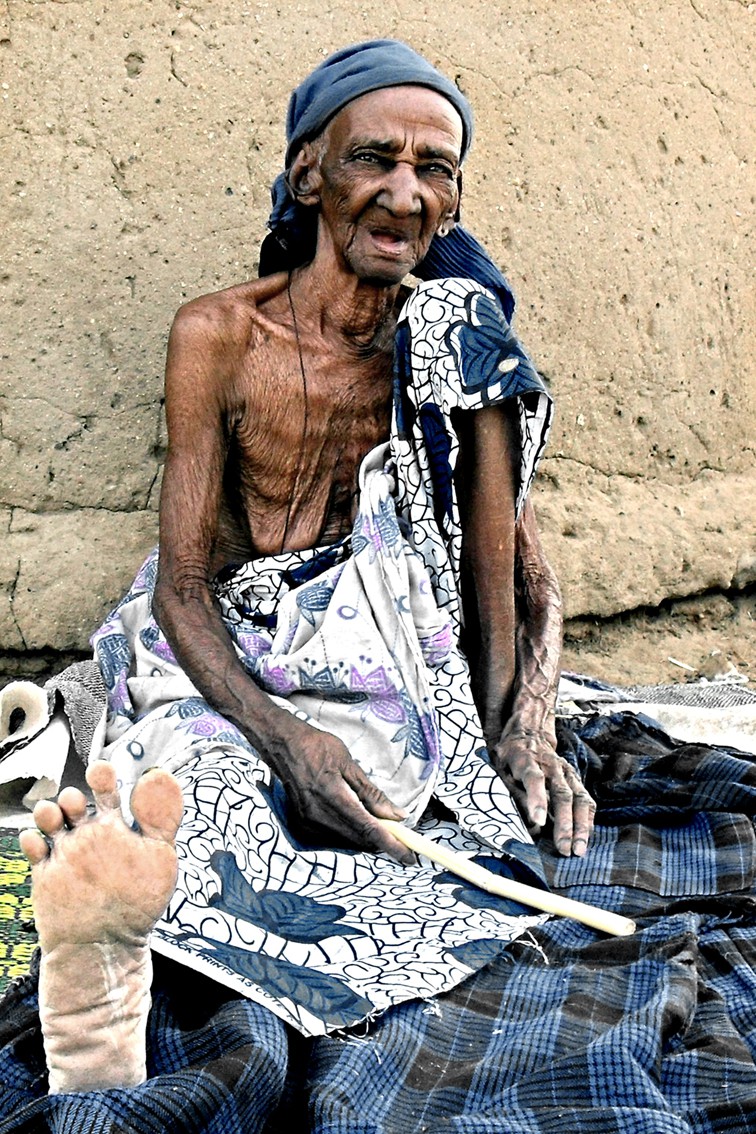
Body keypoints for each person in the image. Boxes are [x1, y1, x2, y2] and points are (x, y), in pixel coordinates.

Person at [8, 39, 597, 1121]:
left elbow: (503, 561)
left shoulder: (457, 343)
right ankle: (96, 983)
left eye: (436, 167)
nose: (406, 192)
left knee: (425, 823)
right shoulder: (219, 335)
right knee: (203, 795)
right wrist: (286, 738)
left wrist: (524, 723)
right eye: (375, 157)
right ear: (308, 175)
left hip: (385, 653)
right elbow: (182, 589)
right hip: (226, 648)